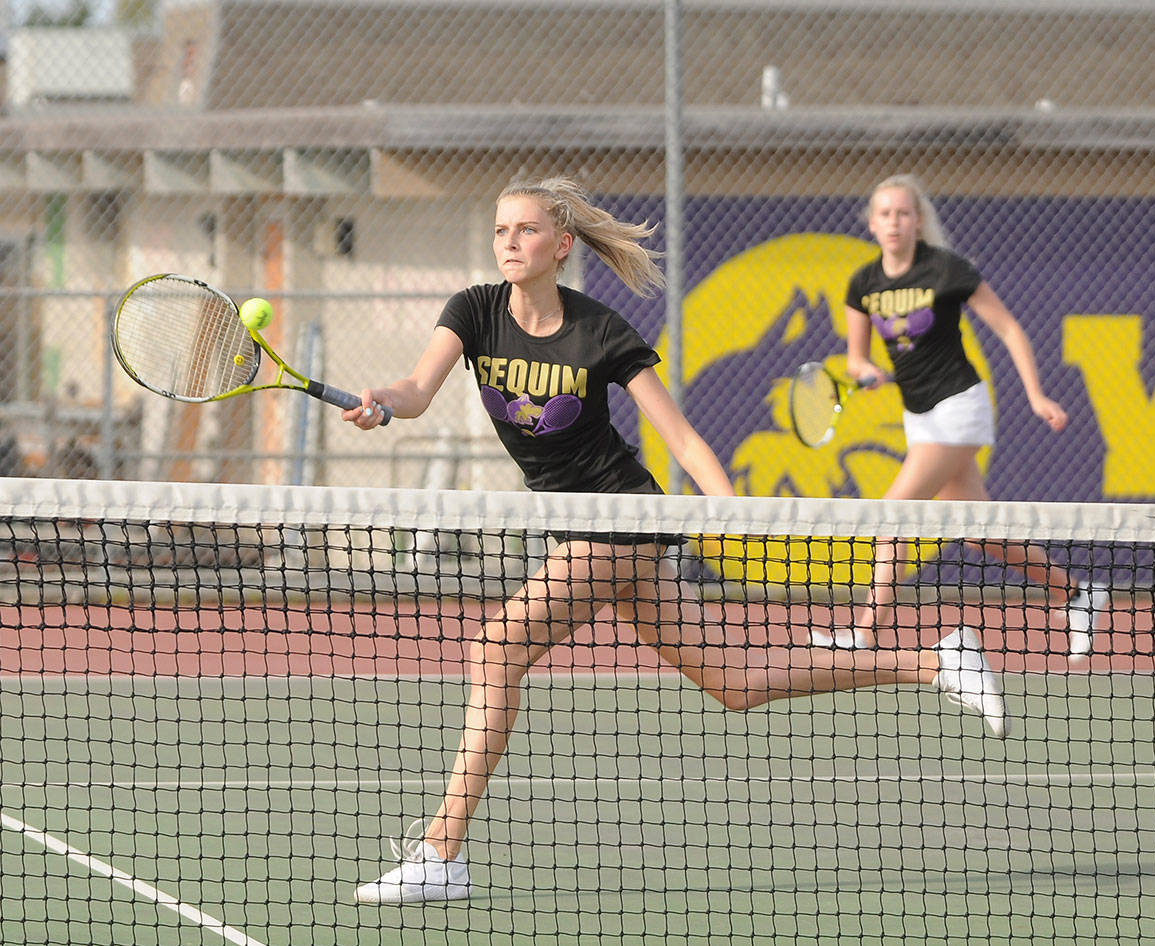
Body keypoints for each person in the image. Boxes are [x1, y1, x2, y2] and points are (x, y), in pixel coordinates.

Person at [344, 177, 1008, 905]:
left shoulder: (599, 332)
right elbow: (416, 386)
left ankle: (442, 851)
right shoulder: (472, 312)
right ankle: (935, 661)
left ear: (561, 246)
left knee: (496, 648)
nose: (510, 242)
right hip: (581, 528)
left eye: (526, 230)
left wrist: (728, 509)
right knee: (737, 683)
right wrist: (384, 402)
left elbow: (683, 438)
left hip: (623, 519)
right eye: (502, 230)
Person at [810, 174, 1108, 658]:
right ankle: (1076, 593)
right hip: (918, 416)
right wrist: (867, 373)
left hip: (960, 407)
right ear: (871, 222)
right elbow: (856, 359)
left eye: (903, 213)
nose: (893, 222)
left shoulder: (946, 270)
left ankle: (863, 634)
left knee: (892, 518)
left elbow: (1009, 329)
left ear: (918, 221)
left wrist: (1035, 395)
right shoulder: (863, 283)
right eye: (884, 214)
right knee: (980, 533)